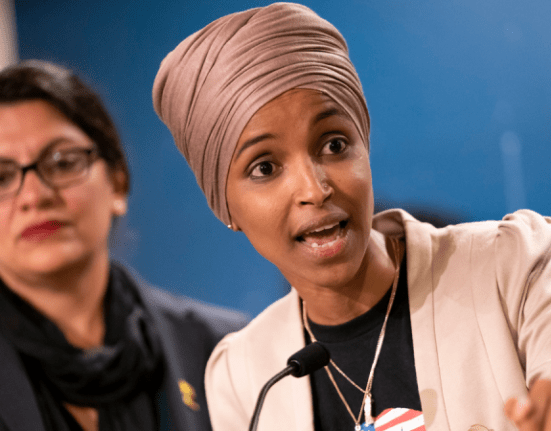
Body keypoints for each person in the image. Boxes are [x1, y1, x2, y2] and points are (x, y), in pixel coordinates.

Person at [152, 3, 551, 431]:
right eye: (265, 167)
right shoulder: (242, 377)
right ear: (225, 206)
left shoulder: (515, 265)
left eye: (334, 145)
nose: (314, 189)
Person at [0, 60, 247, 431]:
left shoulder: (225, 349)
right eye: (1, 177)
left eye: (62, 163)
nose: (34, 196)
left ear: (118, 182)